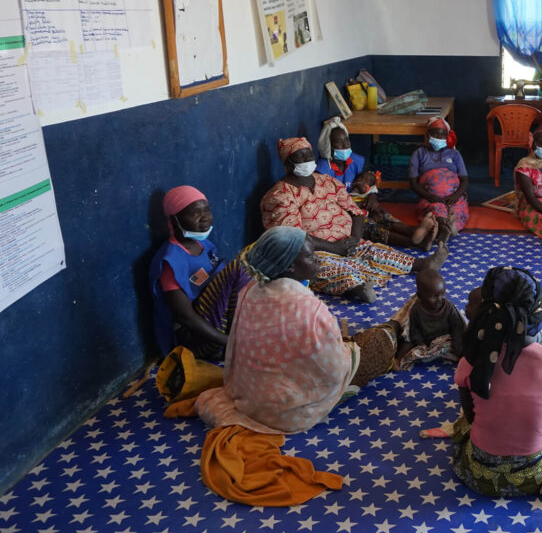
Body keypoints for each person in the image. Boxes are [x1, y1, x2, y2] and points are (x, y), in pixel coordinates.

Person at [194, 227, 399, 434]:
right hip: (285, 412)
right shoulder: (307, 308)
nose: (317, 259)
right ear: (291, 266)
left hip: (248, 398)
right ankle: (395, 332)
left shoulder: (250, 292)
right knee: (381, 341)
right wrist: (350, 352)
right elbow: (334, 371)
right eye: (310, 255)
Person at [452, 266, 542, 502]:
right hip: (532, 477)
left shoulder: (472, 360)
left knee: (462, 425)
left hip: (478, 475)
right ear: (537, 315)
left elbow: (471, 416)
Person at [260, 137, 446, 302]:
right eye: (301, 157)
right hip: (316, 252)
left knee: (374, 251)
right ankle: (358, 288)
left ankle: (421, 264)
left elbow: (355, 211)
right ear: (288, 162)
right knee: (326, 268)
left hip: (348, 242)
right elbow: (294, 239)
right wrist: (334, 248)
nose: (308, 160)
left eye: (309, 155)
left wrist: (355, 238)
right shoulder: (280, 195)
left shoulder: (326, 181)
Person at [148, 185, 251, 358]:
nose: (205, 218)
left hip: (220, 323)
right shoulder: (170, 262)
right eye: (194, 214)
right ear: (174, 220)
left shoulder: (205, 246)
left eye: (207, 210)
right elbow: (186, 317)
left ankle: (242, 335)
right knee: (237, 270)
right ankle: (236, 343)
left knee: (245, 265)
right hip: (195, 341)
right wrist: (228, 341)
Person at [409, 117, 469, 243]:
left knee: (455, 210)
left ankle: (444, 227)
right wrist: (428, 196)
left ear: (447, 137)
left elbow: (464, 179)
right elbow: (413, 183)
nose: (438, 137)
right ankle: (444, 227)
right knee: (436, 209)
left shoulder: (455, 154)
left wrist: (455, 195)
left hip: (453, 197)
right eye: (435, 133)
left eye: (442, 135)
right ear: (428, 135)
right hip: (430, 197)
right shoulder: (419, 154)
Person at [393, 269, 466, 370]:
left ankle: (462, 358)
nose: (440, 299)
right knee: (406, 343)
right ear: (420, 296)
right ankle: (397, 360)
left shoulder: (448, 307)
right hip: (425, 340)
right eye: (434, 296)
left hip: (445, 337)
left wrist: (458, 345)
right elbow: (414, 330)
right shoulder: (416, 309)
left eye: (442, 294)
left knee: (462, 344)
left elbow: (457, 327)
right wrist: (420, 342)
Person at [350, 169, 438, 250]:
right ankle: (416, 242)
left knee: (383, 216)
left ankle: (414, 231)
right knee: (374, 229)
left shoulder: (365, 188)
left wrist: (372, 198)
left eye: (366, 181)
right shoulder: (352, 190)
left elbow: (368, 190)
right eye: (360, 178)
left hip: (367, 212)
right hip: (354, 219)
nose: (361, 181)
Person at [314, 117, 365, 189]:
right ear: (328, 146)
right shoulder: (322, 171)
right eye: (338, 142)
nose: (345, 145)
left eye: (347, 140)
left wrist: (372, 194)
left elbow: (366, 181)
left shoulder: (355, 161)